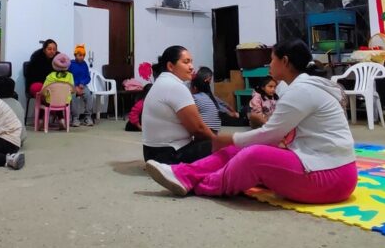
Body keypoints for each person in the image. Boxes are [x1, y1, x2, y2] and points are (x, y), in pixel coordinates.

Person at [143, 39, 358, 204]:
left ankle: (199, 184)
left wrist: (230, 139)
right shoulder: (300, 87)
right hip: (323, 168)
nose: (268, 64)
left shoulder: (302, 90)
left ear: (284, 61)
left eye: (272, 59)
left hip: (331, 176)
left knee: (253, 154)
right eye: (186, 62)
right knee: (244, 147)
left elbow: (269, 135)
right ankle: (184, 175)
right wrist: (233, 141)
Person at [141, 46, 216, 164]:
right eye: (186, 62)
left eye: (191, 62)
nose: (191, 67)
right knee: (225, 147)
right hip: (168, 155)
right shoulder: (175, 86)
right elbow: (199, 129)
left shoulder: (161, 82)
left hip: (152, 153)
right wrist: (219, 142)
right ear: (170, 66)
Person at [68, 45, 97, 127]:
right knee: (72, 96)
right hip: (73, 86)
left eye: (83, 55)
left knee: (89, 95)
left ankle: (87, 117)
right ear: (75, 55)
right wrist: (75, 86)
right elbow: (68, 77)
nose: (82, 57)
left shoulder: (84, 64)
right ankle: (75, 118)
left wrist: (82, 83)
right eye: (80, 55)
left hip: (82, 86)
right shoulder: (70, 64)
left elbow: (87, 77)